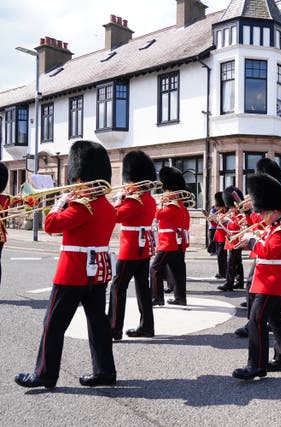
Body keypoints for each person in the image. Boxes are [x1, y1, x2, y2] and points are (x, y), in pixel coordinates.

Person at [15, 140, 117, 389]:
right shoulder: (107, 206)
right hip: (98, 272)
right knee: (97, 323)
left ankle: (45, 373)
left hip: (72, 273)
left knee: (52, 324)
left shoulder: (82, 206)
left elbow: (50, 225)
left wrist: (60, 203)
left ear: (79, 177)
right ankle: (104, 371)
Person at [232, 174, 281, 380]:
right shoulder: (273, 227)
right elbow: (261, 238)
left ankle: (256, 365)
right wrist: (249, 238)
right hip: (266, 281)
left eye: (266, 211)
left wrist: (251, 241)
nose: (263, 214)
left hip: (271, 283)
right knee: (276, 322)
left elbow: (268, 251)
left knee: (256, 320)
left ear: (276, 211)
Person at [108, 151, 157, 340]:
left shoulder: (134, 201)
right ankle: (147, 326)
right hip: (143, 249)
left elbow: (115, 216)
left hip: (130, 250)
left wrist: (118, 199)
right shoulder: (149, 199)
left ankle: (114, 328)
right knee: (142, 288)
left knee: (117, 287)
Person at [150, 167, 191, 306]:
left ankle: (157, 298)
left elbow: (157, 215)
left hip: (169, 244)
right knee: (177, 271)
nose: (164, 193)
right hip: (177, 244)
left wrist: (159, 203)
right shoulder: (180, 205)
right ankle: (180, 298)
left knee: (154, 269)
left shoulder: (173, 205)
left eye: (166, 190)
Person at [217, 186, 246, 291]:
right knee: (237, 262)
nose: (229, 208)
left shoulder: (240, 213)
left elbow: (236, 225)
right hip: (232, 238)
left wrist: (227, 220)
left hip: (237, 239)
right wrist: (223, 220)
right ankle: (239, 281)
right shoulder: (233, 212)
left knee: (231, 262)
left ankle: (229, 283)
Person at [212, 192, 228, 279]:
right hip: (218, 236)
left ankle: (224, 272)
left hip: (224, 236)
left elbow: (226, 224)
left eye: (218, 206)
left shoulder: (226, 213)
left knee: (222, 256)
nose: (217, 207)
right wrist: (212, 220)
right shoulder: (219, 213)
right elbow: (216, 226)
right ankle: (221, 271)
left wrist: (220, 220)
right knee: (219, 256)